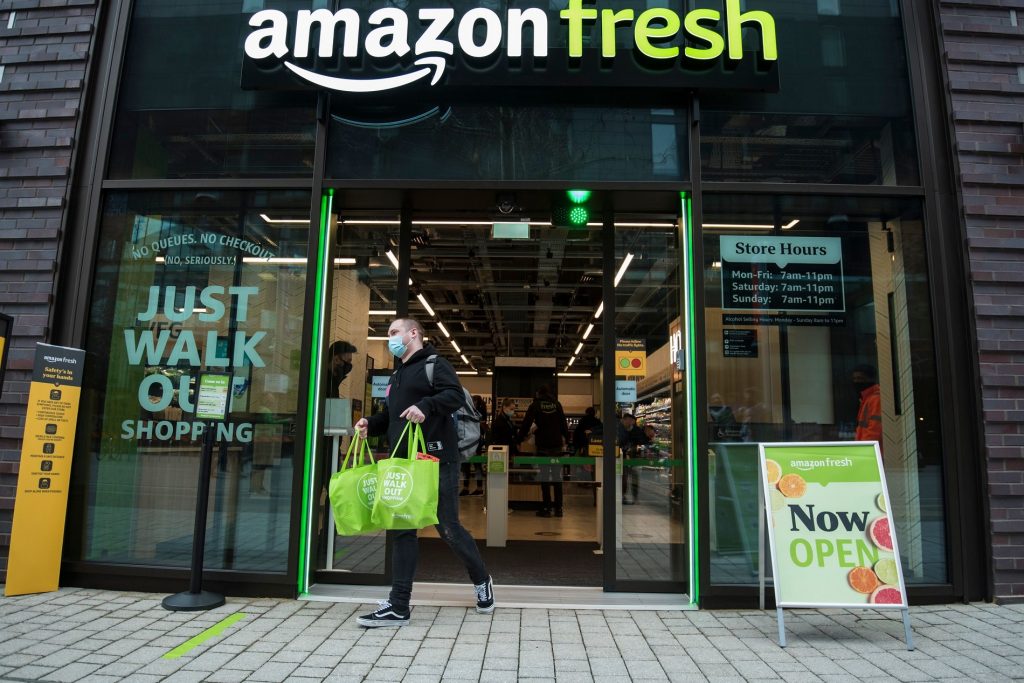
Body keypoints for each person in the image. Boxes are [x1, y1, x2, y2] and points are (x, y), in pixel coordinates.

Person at [354, 318, 493, 626]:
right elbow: (391, 416)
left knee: (448, 527)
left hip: (437, 459)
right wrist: (369, 423)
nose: (390, 338)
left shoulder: (435, 364)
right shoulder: (398, 373)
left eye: (394, 332)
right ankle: (398, 605)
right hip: (403, 462)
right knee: (402, 529)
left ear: (413, 333)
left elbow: (454, 395)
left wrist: (426, 406)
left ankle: (482, 579)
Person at [517, 385, 569, 518]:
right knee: (557, 477)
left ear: (538, 394)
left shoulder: (535, 405)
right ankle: (559, 509)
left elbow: (526, 423)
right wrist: (567, 439)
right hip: (556, 445)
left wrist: (519, 439)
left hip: (543, 446)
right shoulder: (557, 404)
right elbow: (563, 423)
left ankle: (546, 508)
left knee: (545, 478)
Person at [617, 413, 648, 504]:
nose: (631, 424)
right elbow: (620, 441)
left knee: (631, 477)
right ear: (624, 420)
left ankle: (631, 497)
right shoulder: (617, 428)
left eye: (633, 422)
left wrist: (634, 431)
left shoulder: (634, 429)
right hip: (619, 457)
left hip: (630, 457)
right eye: (630, 421)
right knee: (622, 477)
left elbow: (642, 440)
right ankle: (621, 496)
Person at [460, 395, 487, 496]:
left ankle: (471, 488)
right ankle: (471, 488)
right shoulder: (477, 415)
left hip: (472, 444)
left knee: (472, 466)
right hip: (474, 444)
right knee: (473, 466)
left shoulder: (474, 415)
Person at [853, 364, 883, 443]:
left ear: (870, 379)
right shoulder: (866, 398)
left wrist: (863, 447)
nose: (856, 381)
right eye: (854, 378)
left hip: (870, 447)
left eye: (860, 378)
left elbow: (874, 430)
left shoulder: (876, 399)